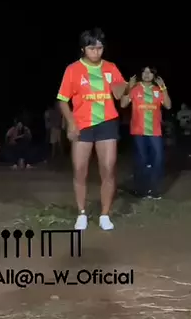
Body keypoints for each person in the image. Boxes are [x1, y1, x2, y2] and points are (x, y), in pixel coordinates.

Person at [56, 28, 128, 231]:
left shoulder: (111, 67)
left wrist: (125, 86)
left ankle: (105, 214)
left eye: (100, 48)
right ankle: (81, 213)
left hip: (107, 123)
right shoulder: (73, 69)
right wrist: (71, 122)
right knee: (80, 170)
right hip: (82, 124)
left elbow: (119, 94)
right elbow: (62, 100)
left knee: (108, 169)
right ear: (83, 49)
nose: (96, 52)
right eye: (92, 48)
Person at [120, 66, 172, 199]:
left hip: (155, 131)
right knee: (141, 160)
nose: (147, 74)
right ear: (141, 74)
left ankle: (154, 190)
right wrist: (128, 87)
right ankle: (141, 190)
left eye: (150, 72)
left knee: (158, 159)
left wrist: (163, 88)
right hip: (139, 131)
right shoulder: (135, 89)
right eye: (144, 72)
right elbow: (123, 104)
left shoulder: (157, 90)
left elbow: (168, 105)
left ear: (154, 75)